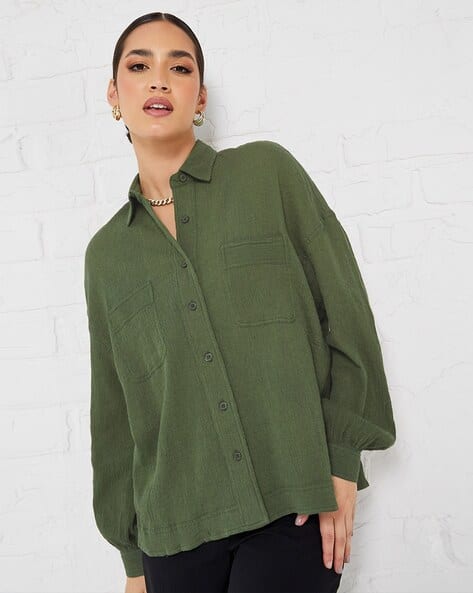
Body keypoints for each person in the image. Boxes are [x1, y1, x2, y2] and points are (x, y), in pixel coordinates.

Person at [83, 11, 397, 593]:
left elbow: (346, 316)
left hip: (294, 502)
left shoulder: (267, 174)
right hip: (173, 533)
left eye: (179, 68)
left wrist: (342, 459)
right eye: (139, 66)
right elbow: (117, 413)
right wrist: (132, 561)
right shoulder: (107, 255)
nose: (159, 80)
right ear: (113, 95)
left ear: (199, 98)